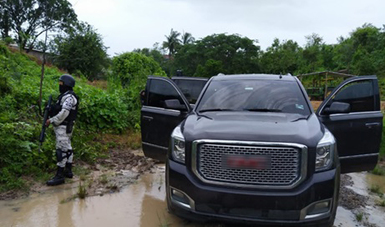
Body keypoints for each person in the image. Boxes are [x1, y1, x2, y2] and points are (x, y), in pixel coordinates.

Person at [45, 74, 79, 186]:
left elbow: (64, 113)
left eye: (61, 83)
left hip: (63, 126)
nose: (60, 85)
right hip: (65, 126)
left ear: (67, 84)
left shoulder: (69, 97)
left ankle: (59, 176)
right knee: (67, 147)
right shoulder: (65, 96)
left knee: (61, 150)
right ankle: (68, 171)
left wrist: (52, 120)